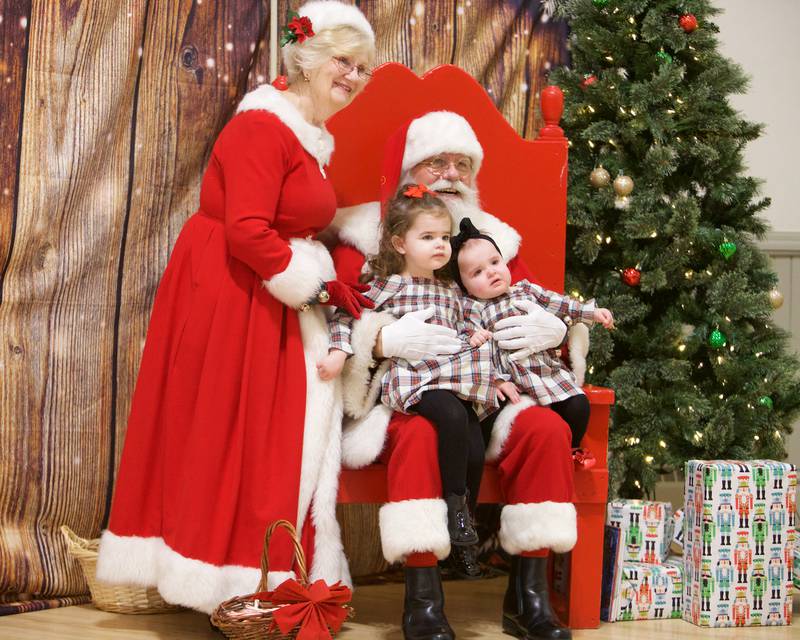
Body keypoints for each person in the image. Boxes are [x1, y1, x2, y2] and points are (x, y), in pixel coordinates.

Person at [96, 1, 376, 614]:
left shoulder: (308, 133)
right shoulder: (262, 126)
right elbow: (248, 230)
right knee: (230, 433)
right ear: (307, 58)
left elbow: (290, 216)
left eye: (363, 68)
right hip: (235, 291)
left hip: (264, 290)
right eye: (343, 61)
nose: (353, 77)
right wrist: (316, 286)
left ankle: (255, 578)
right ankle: (225, 581)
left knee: (263, 438)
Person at [330, 111, 582, 640]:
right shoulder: (365, 242)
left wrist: (556, 329)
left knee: (545, 429)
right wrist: (380, 341)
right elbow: (336, 317)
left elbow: (533, 300)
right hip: (411, 394)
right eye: (436, 163)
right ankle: (423, 600)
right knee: (425, 431)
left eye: (462, 165)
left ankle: (529, 598)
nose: (450, 175)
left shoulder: (492, 245)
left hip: (487, 388)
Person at [319, 187, 507, 568]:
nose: (440, 245)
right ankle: (454, 510)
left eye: (444, 237)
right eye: (428, 237)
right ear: (400, 243)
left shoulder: (451, 289)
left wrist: (475, 336)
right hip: (414, 380)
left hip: (454, 379)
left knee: (473, 440)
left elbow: (467, 324)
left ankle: (464, 525)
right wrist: (339, 353)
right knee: (451, 416)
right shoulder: (386, 285)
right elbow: (345, 316)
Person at [451, 217, 615, 466]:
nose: (491, 272)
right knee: (490, 410)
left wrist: (590, 312)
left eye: (495, 262)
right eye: (478, 272)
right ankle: (486, 459)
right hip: (508, 377)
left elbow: (560, 303)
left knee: (578, 405)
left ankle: (570, 449)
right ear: (465, 286)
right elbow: (467, 345)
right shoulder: (472, 307)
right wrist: (493, 376)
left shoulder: (526, 290)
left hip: (543, 371)